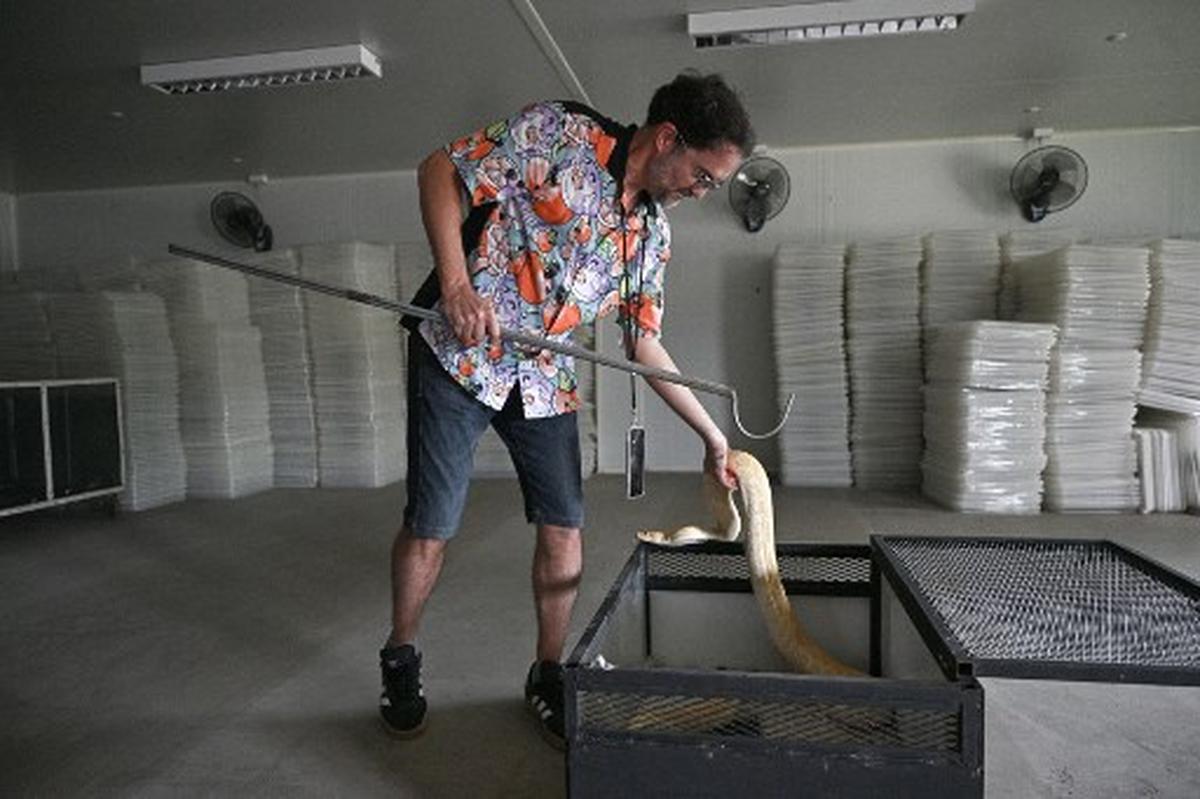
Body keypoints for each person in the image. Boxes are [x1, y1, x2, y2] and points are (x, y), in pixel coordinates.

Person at [380, 72, 755, 748]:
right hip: (457, 356)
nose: (701, 193)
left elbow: (643, 340)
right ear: (669, 138)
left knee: (565, 528)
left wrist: (711, 436)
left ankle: (547, 673)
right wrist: (458, 288)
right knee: (432, 523)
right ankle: (401, 653)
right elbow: (441, 170)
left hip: (543, 375)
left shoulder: (650, 236)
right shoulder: (560, 134)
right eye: (702, 176)